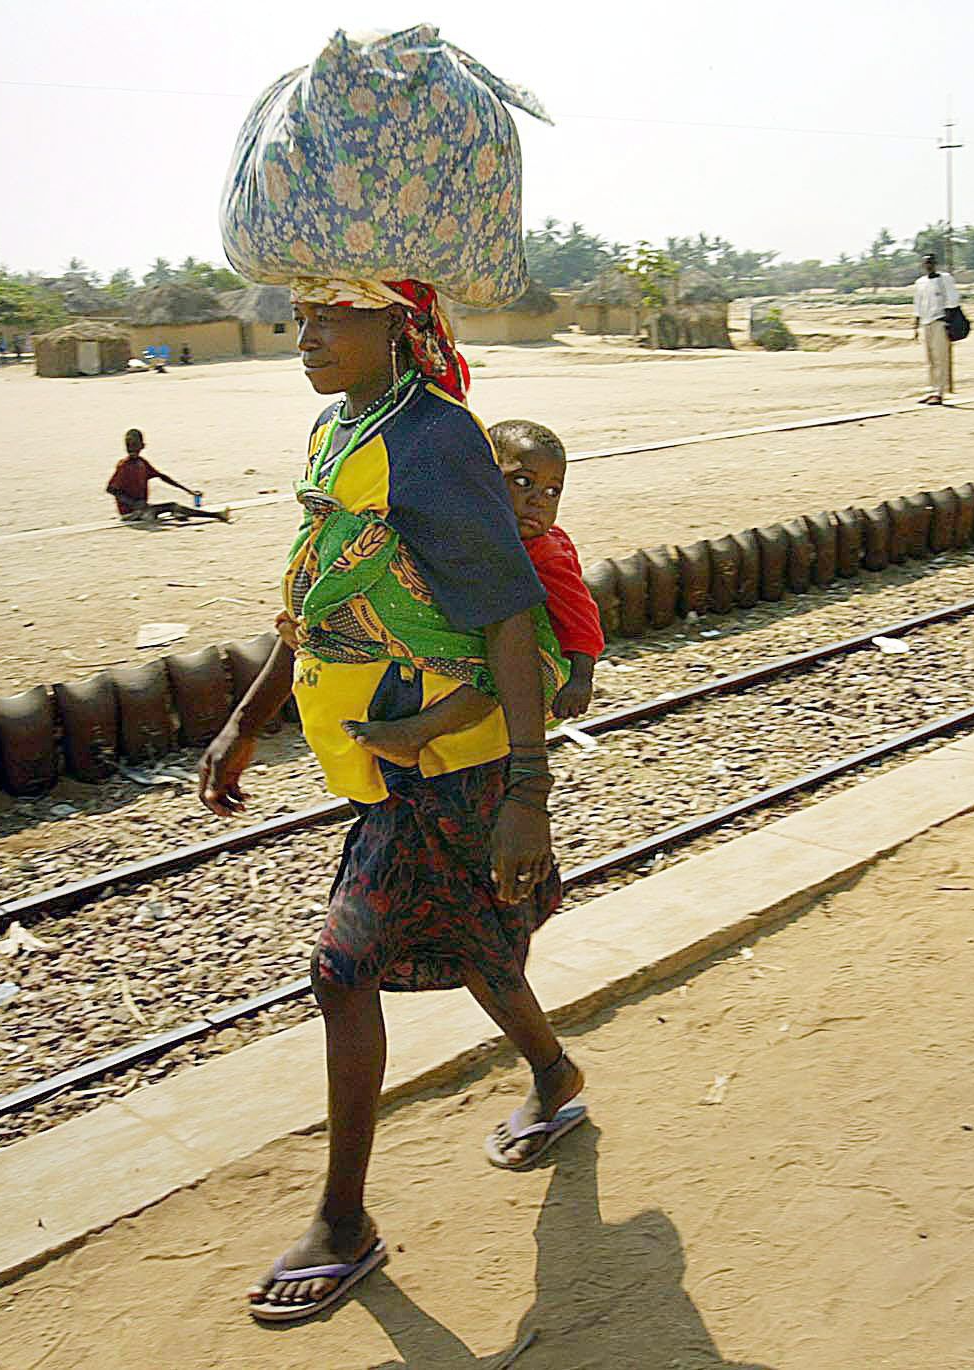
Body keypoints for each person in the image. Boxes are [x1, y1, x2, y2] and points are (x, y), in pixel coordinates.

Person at [198, 279, 585, 1324]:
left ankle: (343, 1222)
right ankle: (553, 1072)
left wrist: (525, 790)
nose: (307, 333)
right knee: (477, 949)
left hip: (453, 765)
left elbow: (509, 614)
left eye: (334, 313)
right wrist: (247, 720)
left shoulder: (434, 439)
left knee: (342, 966)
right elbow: (322, 590)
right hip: (392, 763)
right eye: (302, 315)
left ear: (398, 327)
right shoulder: (338, 429)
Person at [341, 418, 602, 766]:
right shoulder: (478, 532)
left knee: (487, 684)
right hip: (479, 639)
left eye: (553, 491)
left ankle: (413, 735)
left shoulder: (544, 552)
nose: (539, 501)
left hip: (532, 660)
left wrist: (582, 678)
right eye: (523, 483)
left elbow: (581, 615)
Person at [105, 428, 219, 523]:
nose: (132, 449)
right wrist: (134, 503)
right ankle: (216, 515)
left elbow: (162, 477)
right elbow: (111, 489)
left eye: (134, 445)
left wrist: (189, 491)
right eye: (130, 446)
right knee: (173, 507)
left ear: (142, 446)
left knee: (171, 508)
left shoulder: (142, 463)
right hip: (131, 513)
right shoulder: (124, 466)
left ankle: (211, 515)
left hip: (143, 509)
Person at [912, 252, 960, 404]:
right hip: (926, 323)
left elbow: (952, 300)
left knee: (940, 358)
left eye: (931, 262)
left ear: (935, 264)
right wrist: (916, 324)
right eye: (926, 263)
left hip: (940, 321)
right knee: (931, 359)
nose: (928, 265)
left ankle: (939, 392)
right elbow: (918, 304)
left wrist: (948, 321)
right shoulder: (920, 282)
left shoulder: (944, 279)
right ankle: (932, 389)